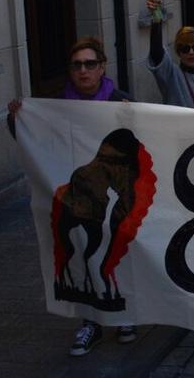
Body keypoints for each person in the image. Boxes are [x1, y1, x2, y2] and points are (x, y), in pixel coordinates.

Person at [7, 37, 137, 356]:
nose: (83, 71)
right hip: (74, 199)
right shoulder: (53, 106)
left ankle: (124, 316)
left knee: (116, 255)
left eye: (90, 64)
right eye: (77, 65)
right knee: (79, 257)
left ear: (102, 67)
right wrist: (17, 119)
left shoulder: (121, 103)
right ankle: (90, 323)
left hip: (109, 201)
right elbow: (32, 141)